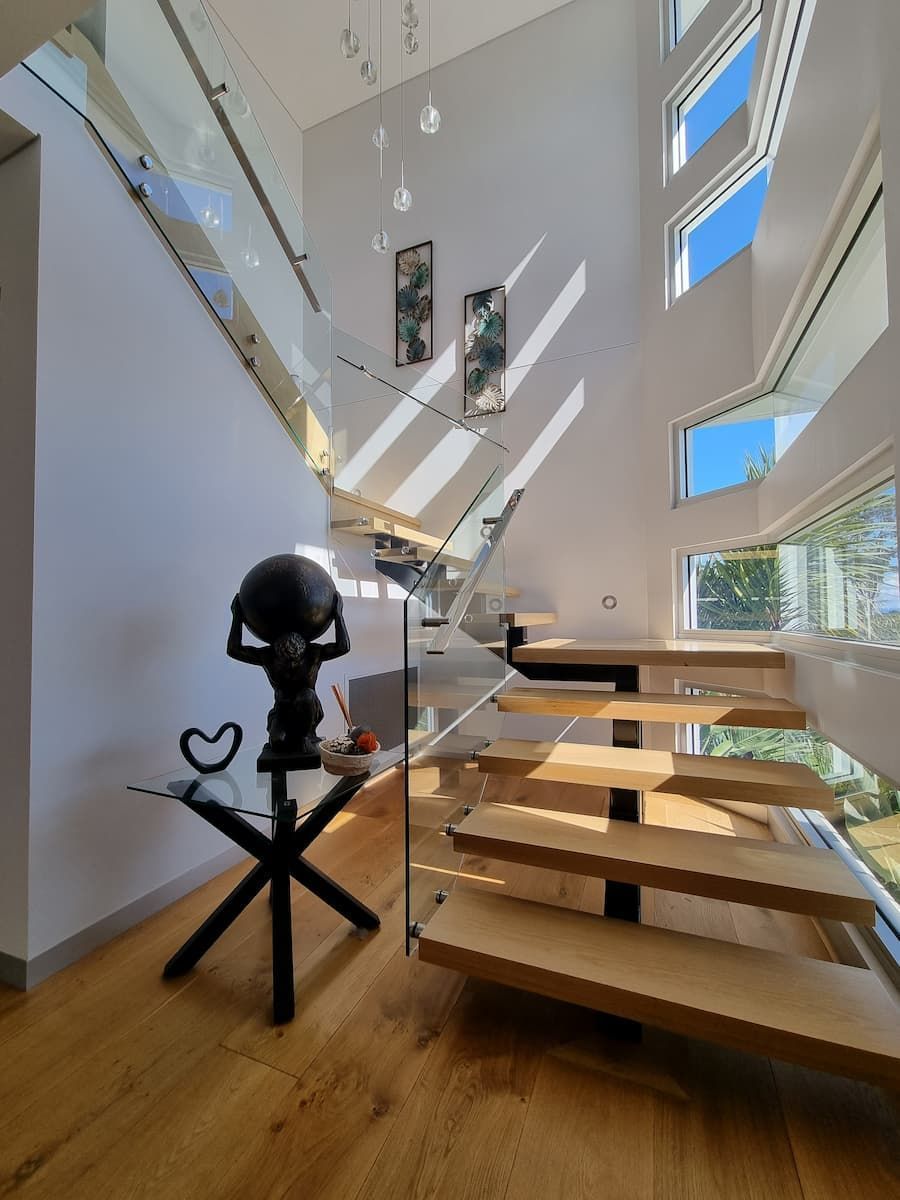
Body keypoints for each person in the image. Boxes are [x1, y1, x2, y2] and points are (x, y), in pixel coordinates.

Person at [227, 591, 350, 760]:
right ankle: (285, 733)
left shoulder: (313, 654)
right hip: (282, 712)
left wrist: (338, 615)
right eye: (285, 662)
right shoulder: (268, 656)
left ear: (302, 652)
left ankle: (305, 736)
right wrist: (237, 617)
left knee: (307, 695)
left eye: (295, 661)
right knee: (278, 743)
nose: (291, 666)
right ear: (278, 654)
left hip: (307, 710)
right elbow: (234, 650)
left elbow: (343, 647)